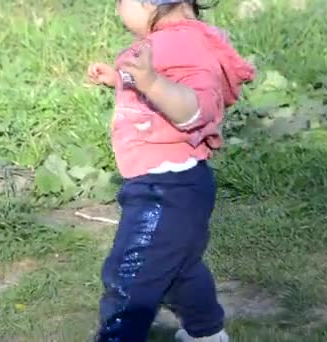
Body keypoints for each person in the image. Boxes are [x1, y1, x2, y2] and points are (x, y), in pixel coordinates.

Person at [87, 0, 254, 341]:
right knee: (179, 268)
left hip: (165, 188)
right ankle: (206, 334)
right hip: (174, 183)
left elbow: (195, 108)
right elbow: (169, 80)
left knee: (130, 275)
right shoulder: (179, 39)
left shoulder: (184, 44)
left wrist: (149, 82)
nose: (118, 9)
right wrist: (121, 79)